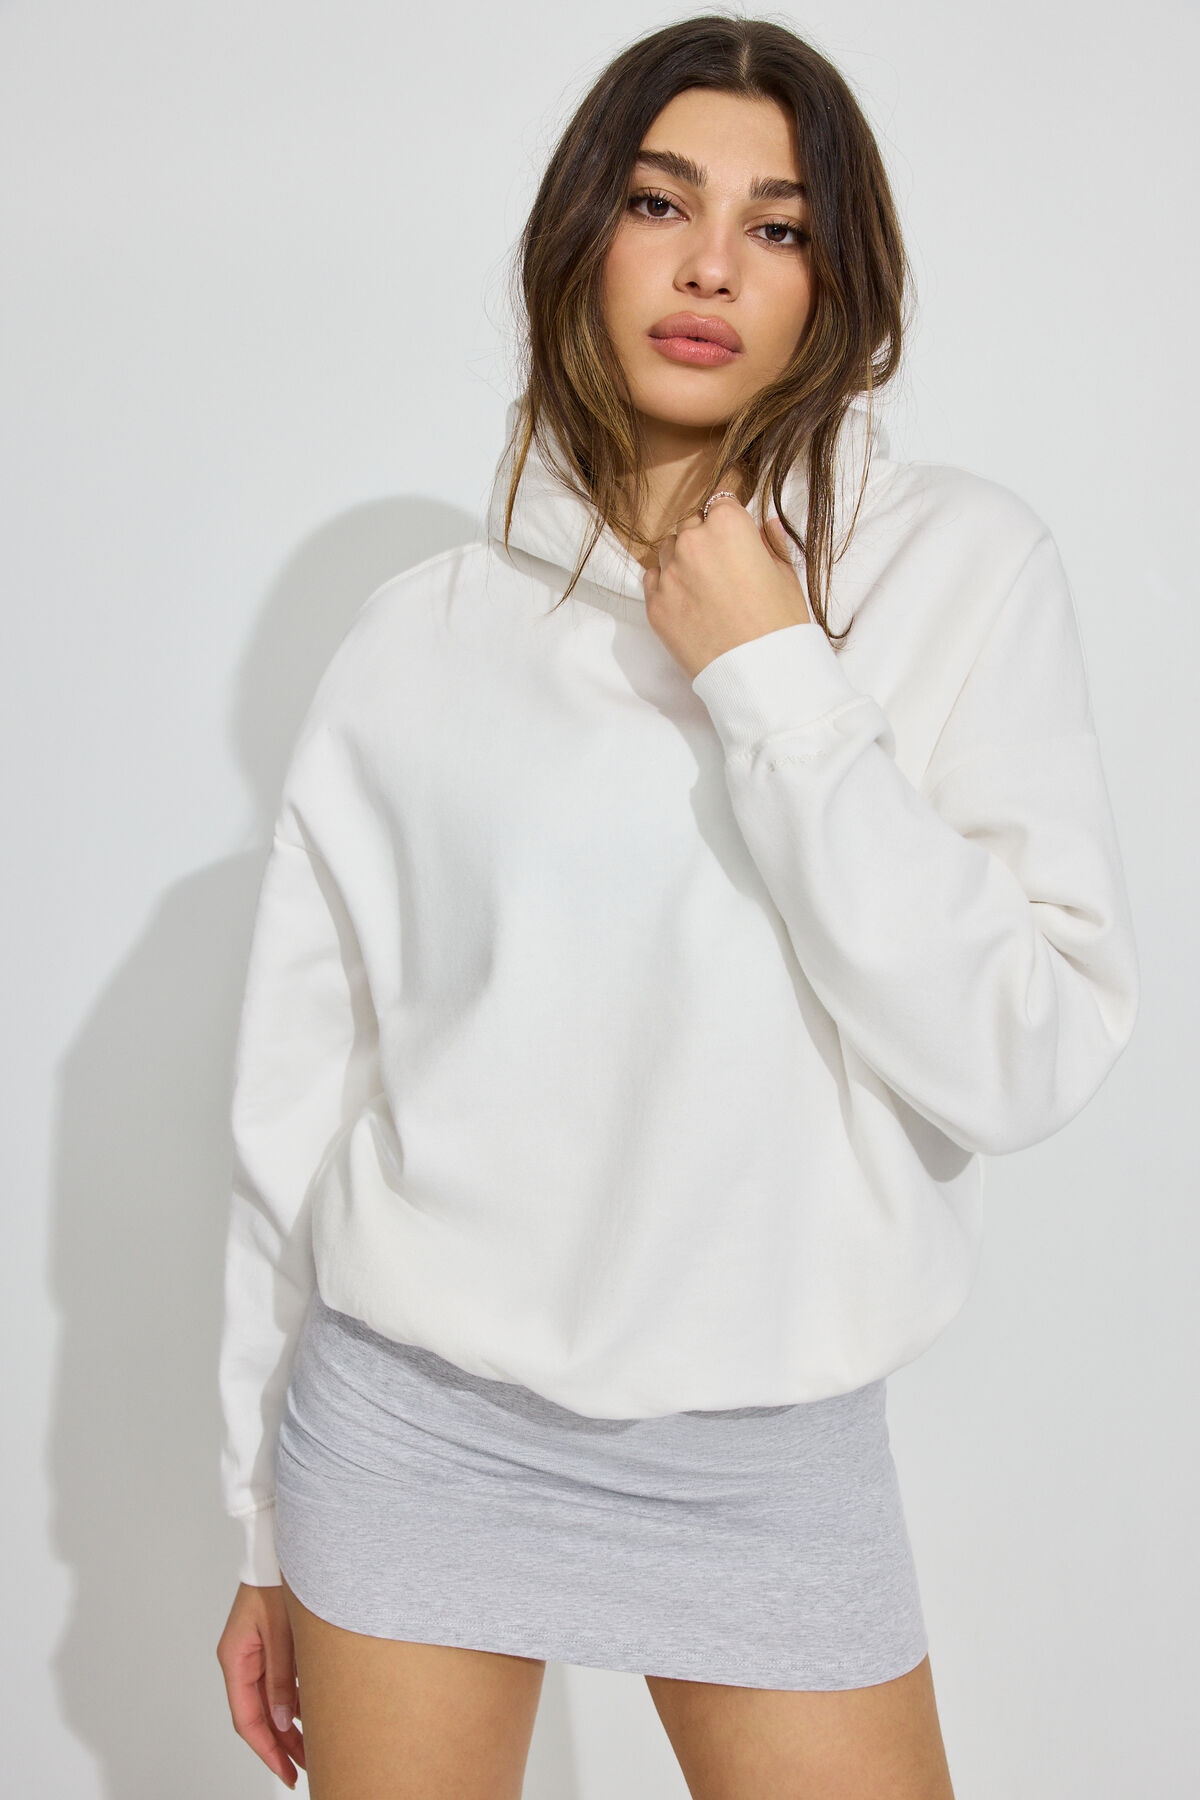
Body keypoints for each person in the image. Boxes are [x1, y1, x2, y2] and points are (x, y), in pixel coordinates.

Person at [214, 16, 1140, 1799]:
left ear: (836, 286)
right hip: (414, 1434)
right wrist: (255, 1511)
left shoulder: (955, 571)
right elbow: (297, 1099)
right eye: (661, 203)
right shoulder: (425, 634)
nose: (712, 265)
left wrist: (773, 672)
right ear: (584, 235)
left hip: (766, 1463)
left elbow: (1022, 1059)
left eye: (779, 226)